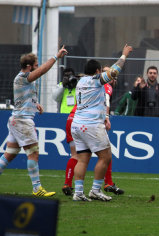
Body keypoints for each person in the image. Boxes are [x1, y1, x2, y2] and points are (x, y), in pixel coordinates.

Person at [0, 46, 68, 196]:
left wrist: (35, 104)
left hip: (17, 120)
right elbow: (42, 71)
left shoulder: (24, 80)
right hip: (22, 121)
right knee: (33, 154)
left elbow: (23, 96)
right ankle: (37, 188)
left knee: (9, 154)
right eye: (36, 65)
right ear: (29, 66)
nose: (37, 68)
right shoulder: (22, 77)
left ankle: (37, 188)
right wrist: (56, 57)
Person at [70, 44, 132, 201]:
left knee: (83, 158)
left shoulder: (81, 81)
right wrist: (123, 55)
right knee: (105, 157)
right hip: (90, 124)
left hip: (77, 124)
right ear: (97, 72)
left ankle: (78, 193)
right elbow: (114, 71)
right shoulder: (95, 81)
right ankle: (96, 190)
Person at [62, 75, 125, 196]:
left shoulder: (84, 82)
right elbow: (106, 101)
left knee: (77, 156)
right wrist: (106, 117)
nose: (114, 78)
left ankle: (69, 185)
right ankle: (105, 184)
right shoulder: (104, 85)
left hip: (73, 118)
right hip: (87, 121)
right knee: (105, 155)